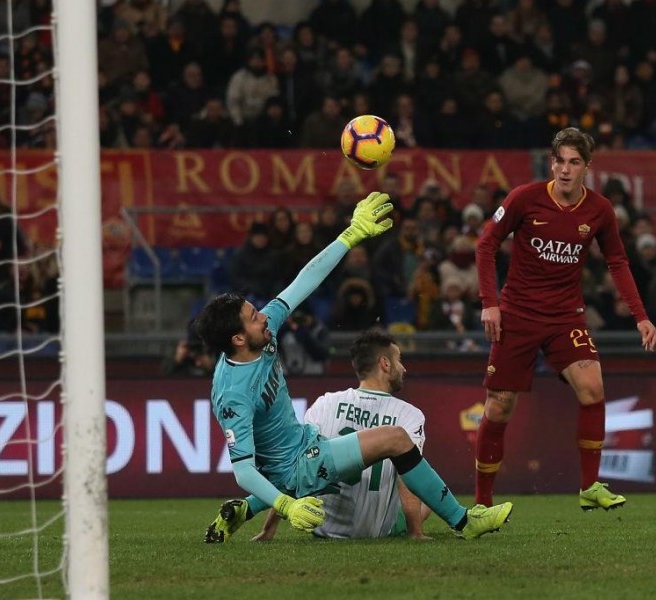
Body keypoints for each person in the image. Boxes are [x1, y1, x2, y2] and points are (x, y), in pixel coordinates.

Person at [198, 193, 513, 543]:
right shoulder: (232, 394)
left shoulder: (262, 331)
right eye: (253, 318)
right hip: (298, 466)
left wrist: (349, 236)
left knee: (366, 448)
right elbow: (242, 469)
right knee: (395, 438)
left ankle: (242, 511)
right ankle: (464, 523)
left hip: (302, 446)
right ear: (238, 340)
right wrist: (287, 507)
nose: (264, 317)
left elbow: (305, 280)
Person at [473, 127, 656, 511]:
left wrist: (640, 315)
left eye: (575, 162)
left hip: (565, 315)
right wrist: (490, 303)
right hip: (518, 314)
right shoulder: (524, 198)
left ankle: (589, 486)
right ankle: (481, 503)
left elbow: (618, 261)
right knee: (499, 406)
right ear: (551, 162)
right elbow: (486, 243)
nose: (566, 169)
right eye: (560, 161)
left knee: (593, 386)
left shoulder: (600, 210)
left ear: (587, 167)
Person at [250, 329, 432, 541]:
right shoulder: (409, 414)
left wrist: (269, 529)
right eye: (399, 360)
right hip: (375, 531)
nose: (404, 368)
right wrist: (416, 533)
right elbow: (407, 479)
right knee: (427, 495)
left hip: (323, 528)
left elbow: (298, 468)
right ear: (385, 363)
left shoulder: (324, 404)